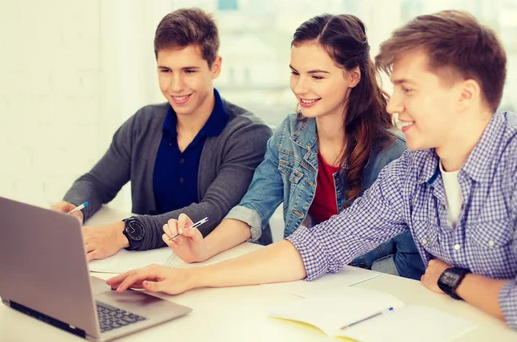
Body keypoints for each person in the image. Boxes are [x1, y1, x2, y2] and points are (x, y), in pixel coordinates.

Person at [107, 10, 517, 337]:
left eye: (407, 89)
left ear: (464, 95)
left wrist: (449, 278)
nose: (394, 105)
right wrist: (194, 280)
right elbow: (316, 246)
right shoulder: (415, 170)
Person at [160, 14, 424, 278]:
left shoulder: (394, 154)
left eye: (317, 77)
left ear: (353, 76)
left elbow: (411, 262)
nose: (300, 87)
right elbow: (254, 207)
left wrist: (339, 284)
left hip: (368, 291)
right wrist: (203, 249)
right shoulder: (289, 134)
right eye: (295, 73)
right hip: (303, 277)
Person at [51, 8, 272, 261]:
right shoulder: (144, 123)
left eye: (189, 71)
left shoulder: (248, 134)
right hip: (150, 261)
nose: (175, 86)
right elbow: (96, 184)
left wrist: (125, 232)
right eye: (165, 71)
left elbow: (212, 212)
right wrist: (76, 208)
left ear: (216, 67)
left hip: (225, 268)